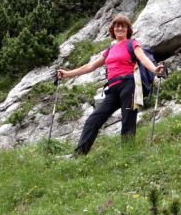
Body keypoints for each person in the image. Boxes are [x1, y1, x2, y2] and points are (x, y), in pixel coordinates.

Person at [57, 14, 164, 155]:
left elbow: (143, 59)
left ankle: (127, 155)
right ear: (112, 29)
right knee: (93, 120)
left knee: (128, 122)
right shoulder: (110, 50)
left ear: (127, 29)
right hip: (113, 89)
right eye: (116, 25)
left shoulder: (132, 43)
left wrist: (154, 69)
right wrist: (67, 74)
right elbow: (90, 66)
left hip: (130, 85)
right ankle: (79, 155)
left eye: (123, 26)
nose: (119, 28)